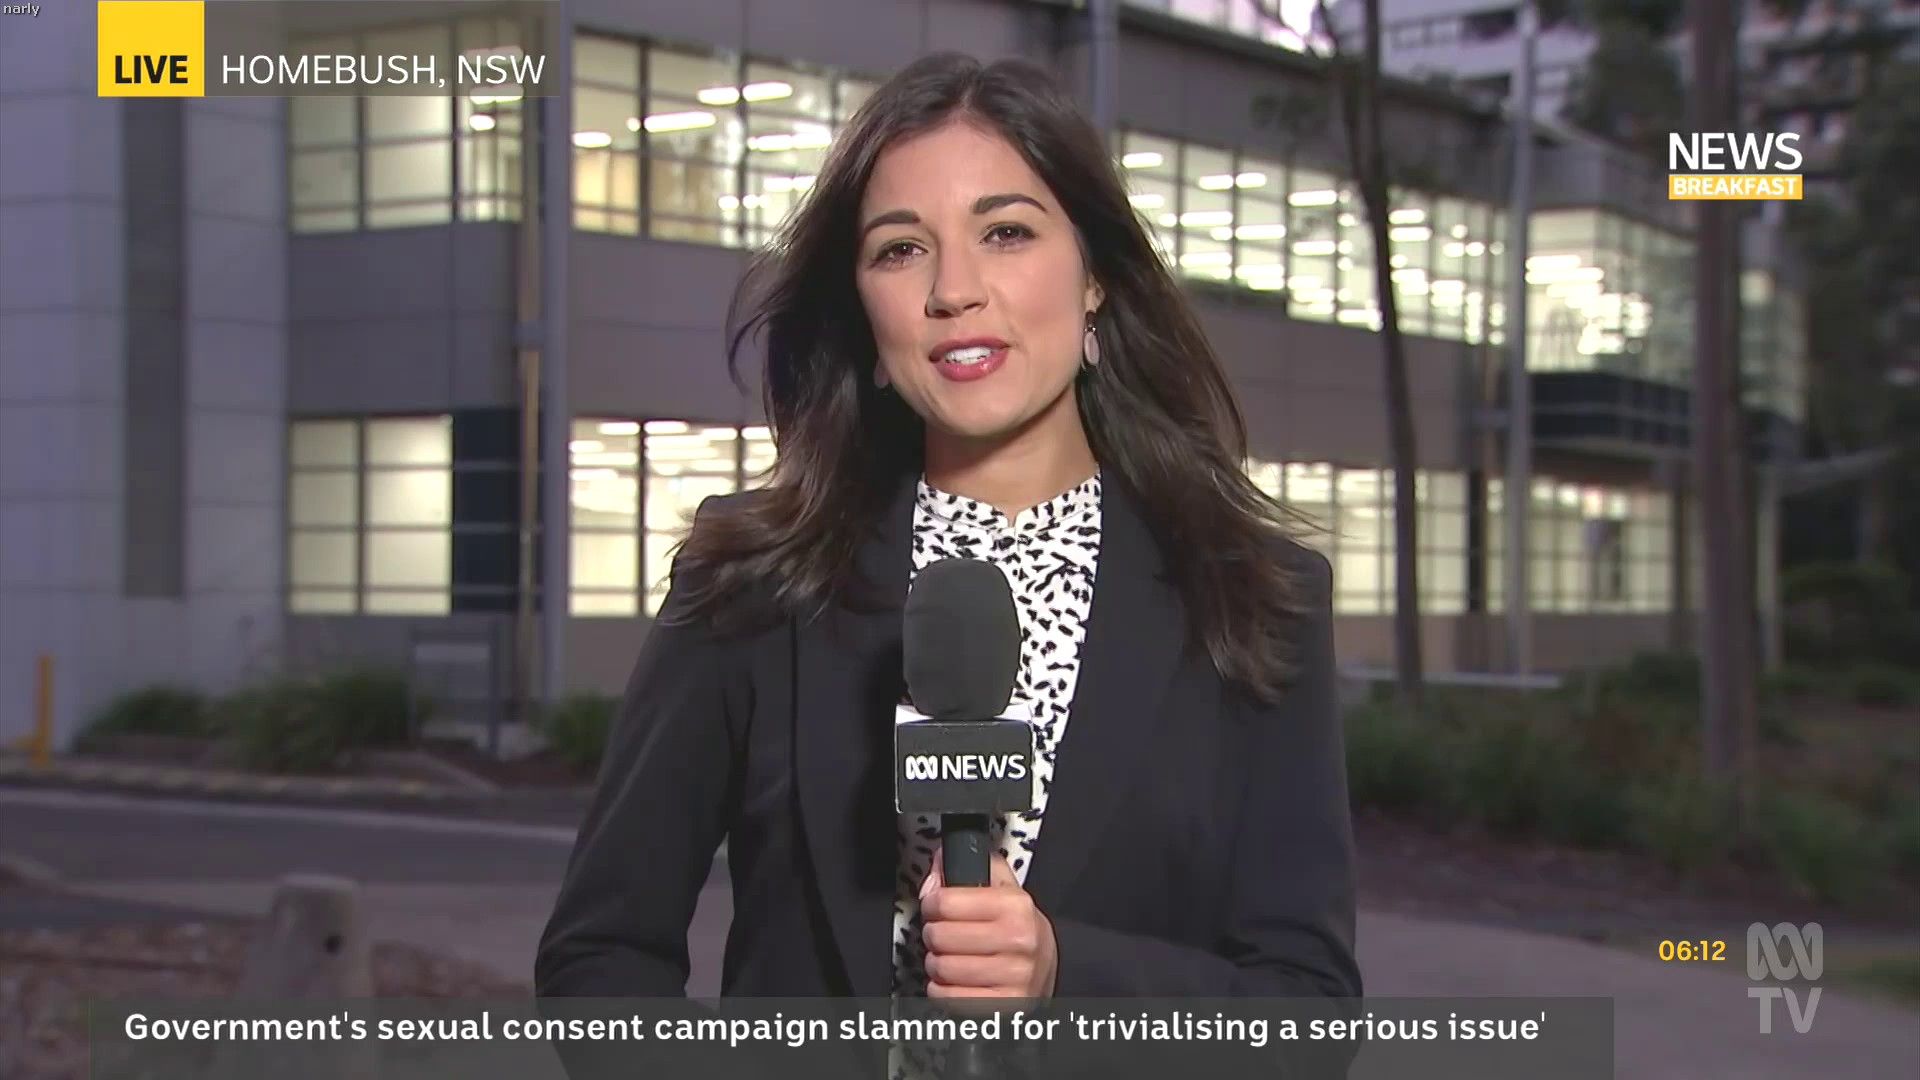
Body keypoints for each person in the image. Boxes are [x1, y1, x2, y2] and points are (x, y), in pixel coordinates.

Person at [535, 49, 1362, 1073]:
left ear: (1095, 275)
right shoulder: (754, 582)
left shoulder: (1252, 595)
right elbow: (601, 959)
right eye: (900, 249)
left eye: (1006, 232)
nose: (954, 291)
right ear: (862, 307)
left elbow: (1309, 1016)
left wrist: (1064, 975)